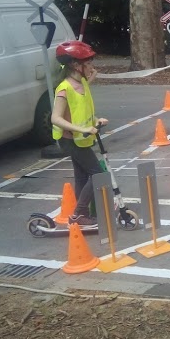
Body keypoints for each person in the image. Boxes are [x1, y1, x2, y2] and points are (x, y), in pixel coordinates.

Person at [50, 40, 109, 227]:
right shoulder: (64, 88)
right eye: (88, 63)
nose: (92, 66)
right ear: (75, 65)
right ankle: (78, 214)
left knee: (82, 176)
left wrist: (95, 120)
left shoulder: (81, 82)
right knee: (98, 175)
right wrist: (83, 129)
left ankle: (81, 213)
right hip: (71, 139)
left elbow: (82, 106)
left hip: (81, 139)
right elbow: (56, 118)